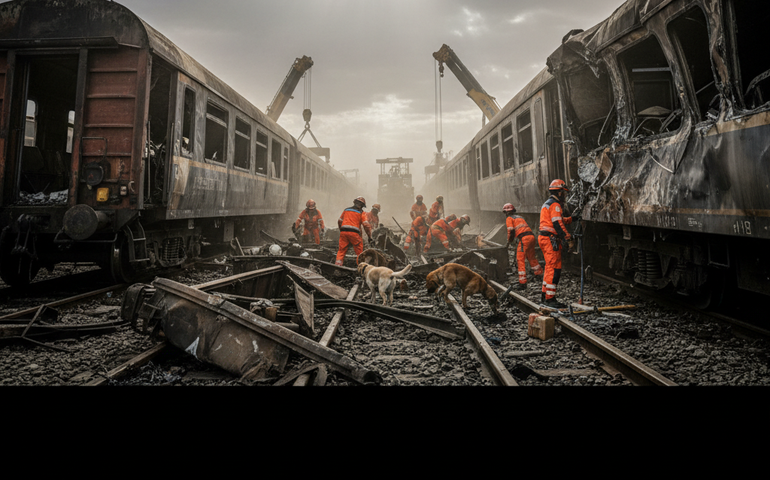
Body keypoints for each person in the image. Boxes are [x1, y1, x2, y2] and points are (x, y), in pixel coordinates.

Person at [538, 179, 574, 308]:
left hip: (544, 238)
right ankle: (550, 299)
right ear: (559, 193)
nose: (564, 196)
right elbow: (557, 223)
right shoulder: (556, 205)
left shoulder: (548, 204)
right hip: (550, 239)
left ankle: (545, 296)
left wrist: (571, 219)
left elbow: (557, 219)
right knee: (555, 268)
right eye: (563, 193)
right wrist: (568, 238)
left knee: (549, 267)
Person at [504, 203, 543, 290]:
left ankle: (522, 283)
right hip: (531, 237)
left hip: (524, 239)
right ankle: (539, 274)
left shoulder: (509, 218)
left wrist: (509, 242)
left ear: (506, 213)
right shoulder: (520, 217)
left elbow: (511, 231)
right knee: (531, 257)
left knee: (520, 259)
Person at [335, 196, 373, 266]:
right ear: (362, 206)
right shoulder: (362, 213)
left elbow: (339, 221)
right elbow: (366, 225)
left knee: (341, 250)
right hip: (354, 233)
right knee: (359, 251)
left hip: (343, 232)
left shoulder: (346, 210)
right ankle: (360, 267)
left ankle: (338, 265)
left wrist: (342, 230)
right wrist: (369, 237)